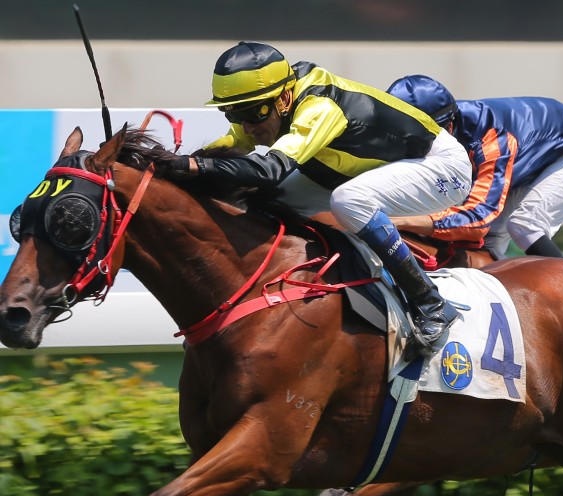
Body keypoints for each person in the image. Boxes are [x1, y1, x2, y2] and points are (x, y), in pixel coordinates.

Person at [158, 42, 472, 351]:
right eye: (233, 114)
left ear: (283, 98)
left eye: (253, 113)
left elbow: (269, 169)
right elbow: (229, 149)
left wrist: (194, 166)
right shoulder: (266, 107)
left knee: (349, 200)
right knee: (271, 199)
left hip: (441, 167)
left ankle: (430, 303)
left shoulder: (320, 106)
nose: (246, 126)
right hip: (359, 171)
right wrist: (171, 165)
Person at [385, 75, 563, 259]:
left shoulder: (491, 139)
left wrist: (402, 221)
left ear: (447, 125)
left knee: (525, 225)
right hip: (529, 153)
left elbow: (478, 219)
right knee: (487, 246)